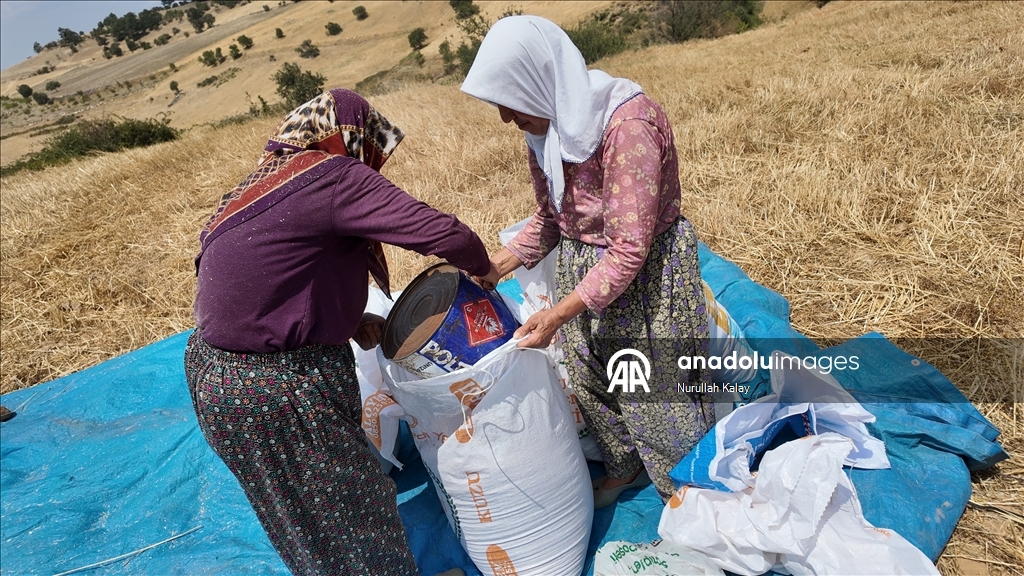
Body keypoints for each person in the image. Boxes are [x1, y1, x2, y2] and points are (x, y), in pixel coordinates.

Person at [184, 88, 488, 576]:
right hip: (280, 388)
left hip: (216, 376)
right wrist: (485, 269)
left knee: (300, 516)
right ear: (347, 138)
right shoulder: (333, 176)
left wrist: (346, 321)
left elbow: (271, 282)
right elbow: (444, 234)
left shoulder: (260, 185)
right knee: (354, 506)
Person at [463, 16, 715, 505]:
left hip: (646, 279)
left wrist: (556, 314)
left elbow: (629, 250)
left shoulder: (627, 125)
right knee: (588, 371)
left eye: (510, 105)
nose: (506, 120)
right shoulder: (548, 127)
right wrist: (495, 268)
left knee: (651, 392)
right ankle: (626, 465)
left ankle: (687, 494)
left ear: (539, 82)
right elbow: (553, 218)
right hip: (586, 272)